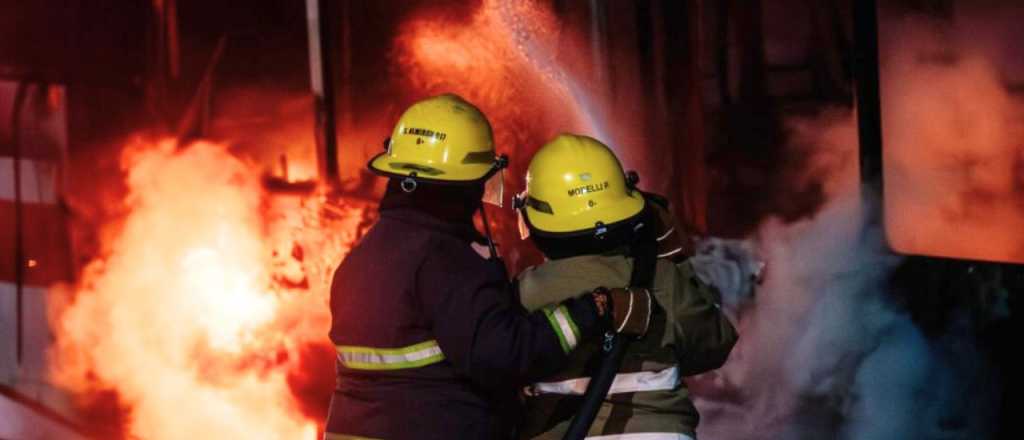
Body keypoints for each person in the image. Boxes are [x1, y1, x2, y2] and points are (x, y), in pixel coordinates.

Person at [324, 95, 650, 440]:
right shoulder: (444, 261)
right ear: (463, 186)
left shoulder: (360, 259)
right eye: (481, 182)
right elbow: (502, 355)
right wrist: (588, 310)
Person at [512, 134, 740, 440]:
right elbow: (713, 345)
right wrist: (676, 259)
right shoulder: (662, 279)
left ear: (533, 220)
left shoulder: (523, 293)